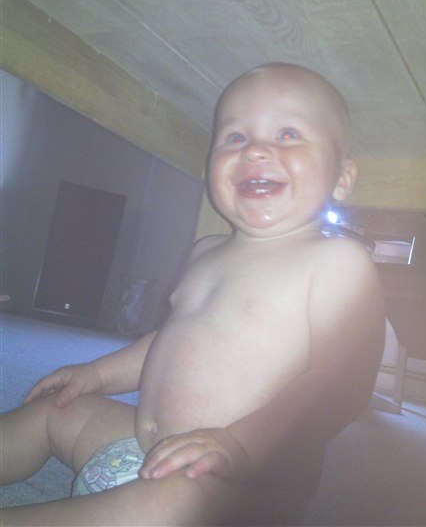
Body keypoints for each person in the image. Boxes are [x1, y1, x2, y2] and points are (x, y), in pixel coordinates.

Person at [1, 63, 385, 526]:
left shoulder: (337, 262)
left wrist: (239, 445)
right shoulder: (205, 251)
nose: (256, 149)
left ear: (342, 177)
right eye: (235, 137)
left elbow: (341, 384)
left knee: (178, 504)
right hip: (145, 450)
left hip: (238, 489)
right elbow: (167, 343)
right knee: (56, 411)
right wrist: (98, 375)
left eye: (288, 134)